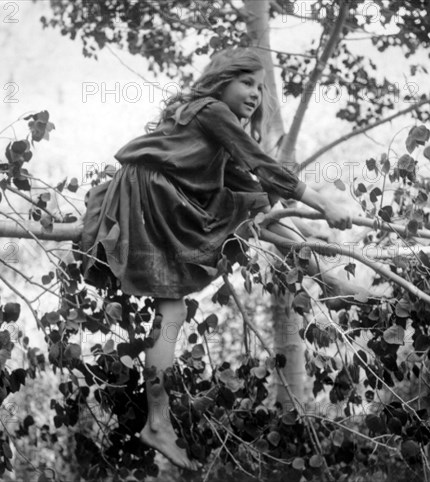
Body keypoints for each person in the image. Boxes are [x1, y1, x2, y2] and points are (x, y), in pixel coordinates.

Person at [80, 48, 354, 470]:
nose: (255, 95)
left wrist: (271, 205)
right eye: (247, 83)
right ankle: (331, 281)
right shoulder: (210, 110)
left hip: (155, 195)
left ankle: (158, 422)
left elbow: (250, 182)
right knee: (244, 207)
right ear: (221, 80)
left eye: (261, 88)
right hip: (152, 197)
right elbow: (262, 165)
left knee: (170, 318)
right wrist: (322, 204)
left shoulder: (211, 126)